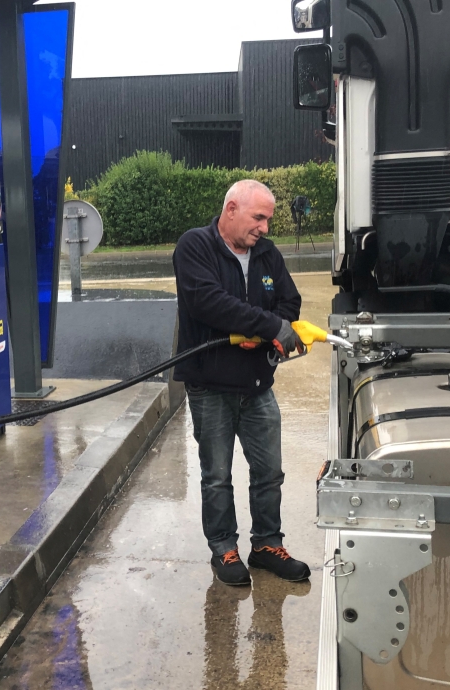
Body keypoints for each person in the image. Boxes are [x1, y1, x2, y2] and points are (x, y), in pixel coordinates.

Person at [173, 179, 311, 586]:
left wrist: (267, 329)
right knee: (217, 475)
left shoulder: (267, 253)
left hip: (257, 385)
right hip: (210, 384)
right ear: (231, 209)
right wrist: (268, 326)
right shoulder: (195, 246)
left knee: (269, 472)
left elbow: (290, 301)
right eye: (259, 217)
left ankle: (267, 544)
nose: (265, 228)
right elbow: (208, 302)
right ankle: (224, 548)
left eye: (267, 220)